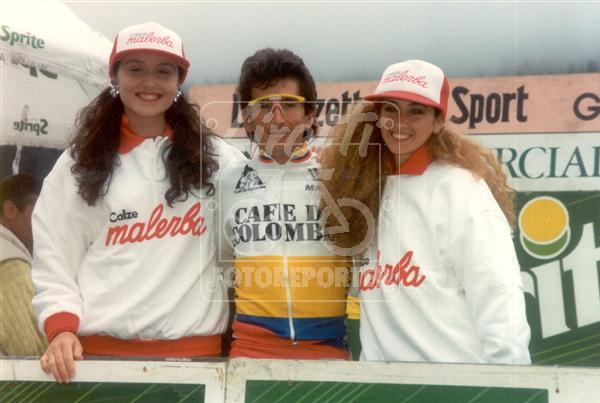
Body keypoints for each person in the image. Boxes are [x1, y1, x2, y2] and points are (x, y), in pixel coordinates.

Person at [32, 22, 244, 383]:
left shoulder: (216, 159)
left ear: (179, 81)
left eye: (163, 71)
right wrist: (61, 328)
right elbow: (54, 256)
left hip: (198, 364)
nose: (150, 82)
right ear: (115, 76)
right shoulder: (78, 163)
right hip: (97, 362)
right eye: (135, 69)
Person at [321, 59, 531, 364]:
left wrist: (509, 382)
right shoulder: (361, 189)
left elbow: (499, 295)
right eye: (390, 109)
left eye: (416, 111)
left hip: (453, 383)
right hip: (378, 384)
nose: (400, 122)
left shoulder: (461, 189)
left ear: (438, 121)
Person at [218, 48, 350, 359]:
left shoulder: (340, 178)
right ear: (248, 118)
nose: (276, 118)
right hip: (251, 351)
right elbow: (220, 267)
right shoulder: (226, 182)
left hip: (328, 348)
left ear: (309, 114)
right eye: (263, 106)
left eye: (289, 105)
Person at [0, 174, 46, 356]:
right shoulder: (10, 265)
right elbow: (29, 349)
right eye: (40, 210)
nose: (45, 220)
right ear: (10, 210)